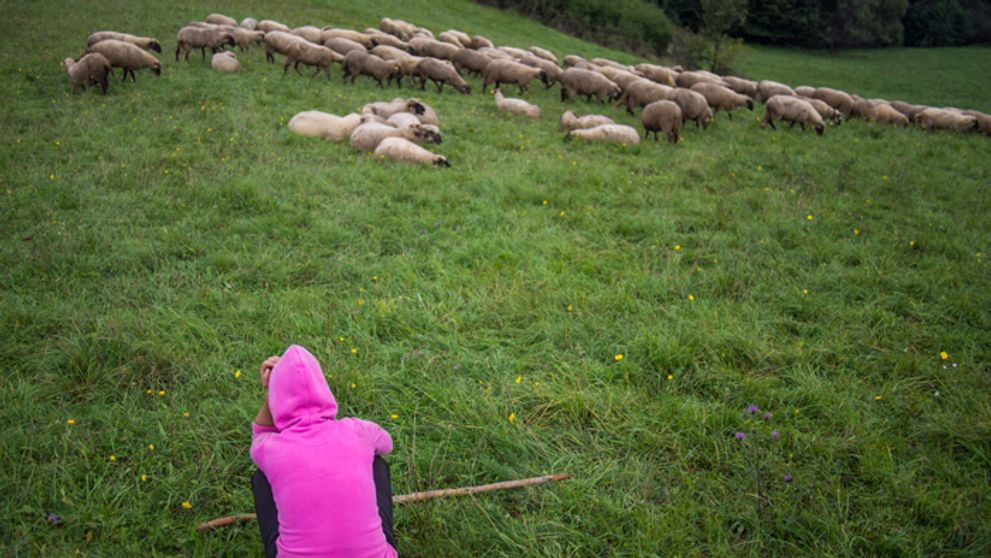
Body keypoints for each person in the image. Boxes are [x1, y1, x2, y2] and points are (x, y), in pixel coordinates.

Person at [250, 345, 397, 558]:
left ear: (276, 399)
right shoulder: (358, 431)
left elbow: (259, 435)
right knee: (377, 463)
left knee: (262, 476)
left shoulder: (272, 449)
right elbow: (387, 444)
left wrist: (273, 390)